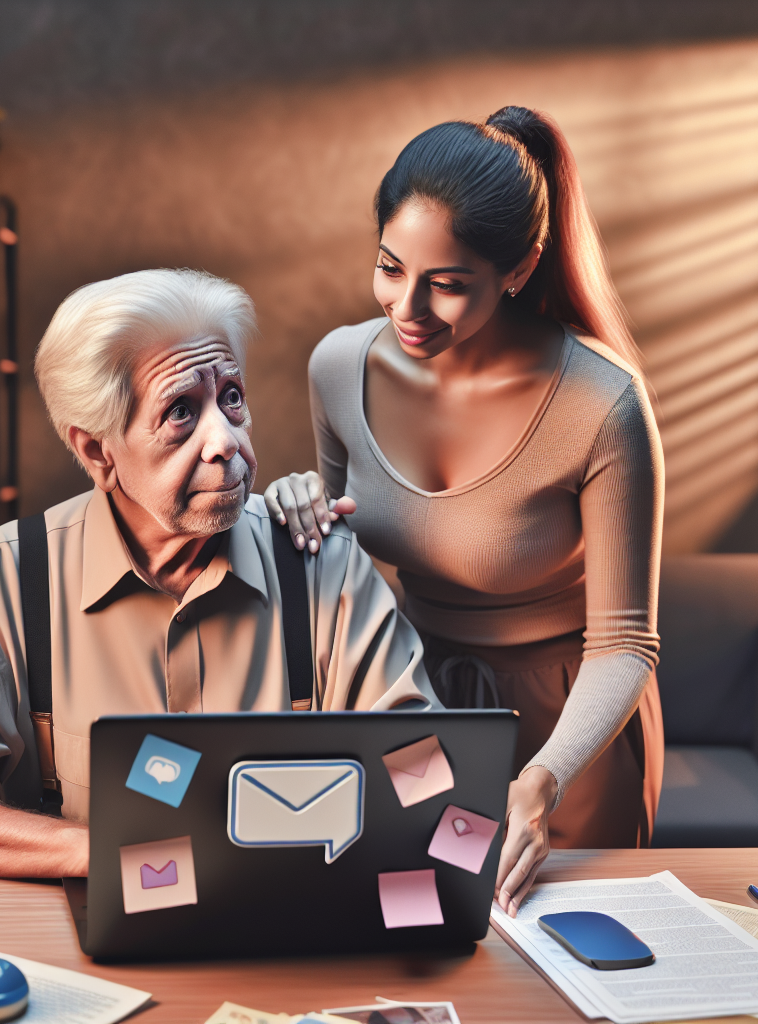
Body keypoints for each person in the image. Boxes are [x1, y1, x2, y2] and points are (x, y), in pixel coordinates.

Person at [0, 268, 437, 879]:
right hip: (84, 950)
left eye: (231, 396)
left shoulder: (324, 563)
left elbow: (423, 777)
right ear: (97, 452)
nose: (225, 440)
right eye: (181, 411)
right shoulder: (3, 578)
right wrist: (112, 852)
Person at [264, 106, 664, 916]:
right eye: (388, 267)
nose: (406, 308)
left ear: (518, 268)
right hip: (414, 704)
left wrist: (540, 781)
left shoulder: (602, 401)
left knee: (559, 964)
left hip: (568, 732)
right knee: (424, 947)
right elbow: (342, 564)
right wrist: (296, 507)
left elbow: (625, 642)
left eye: (447, 285)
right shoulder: (339, 367)